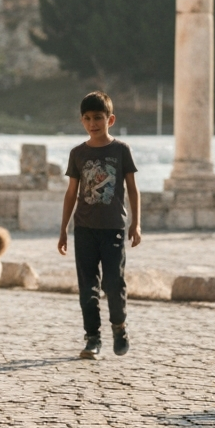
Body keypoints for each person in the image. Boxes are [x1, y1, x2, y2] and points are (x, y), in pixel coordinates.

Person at [57, 91, 141, 359]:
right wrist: (63, 229)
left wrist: (136, 224)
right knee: (87, 286)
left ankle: (119, 327)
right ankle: (92, 338)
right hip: (84, 230)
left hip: (113, 228)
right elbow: (71, 193)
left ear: (110, 119)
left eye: (98, 118)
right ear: (82, 121)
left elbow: (133, 189)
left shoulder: (121, 150)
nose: (93, 123)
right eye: (87, 118)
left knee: (114, 283)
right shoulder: (78, 153)